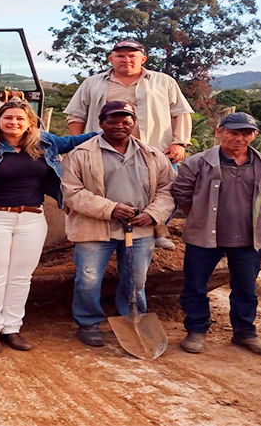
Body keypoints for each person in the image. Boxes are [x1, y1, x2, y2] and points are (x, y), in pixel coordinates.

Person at [0, 99, 97, 353]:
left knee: (21, 277)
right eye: (8, 117)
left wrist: (112, 129)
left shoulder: (46, 143)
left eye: (20, 118)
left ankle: (12, 328)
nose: (14, 122)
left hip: (31, 217)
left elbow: (79, 139)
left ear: (30, 122)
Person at [60, 101, 177, 347]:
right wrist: (111, 208)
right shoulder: (80, 154)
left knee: (136, 279)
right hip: (94, 227)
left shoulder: (153, 154)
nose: (119, 126)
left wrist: (153, 214)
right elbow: (72, 192)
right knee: (88, 278)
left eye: (126, 121)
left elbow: (168, 189)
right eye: (112, 120)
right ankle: (89, 322)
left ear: (134, 124)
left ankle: (132, 318)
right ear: (101, 123)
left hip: (140, 227)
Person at [63, 39, 193, 249]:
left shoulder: (163, 81)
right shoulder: (93, 83)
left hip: (155, 151)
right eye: (120, 55)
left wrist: (179, 143)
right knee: (99, 192)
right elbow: (76, 115)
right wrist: (77, 146)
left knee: (167, 190)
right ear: (110, 59)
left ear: (143, 59)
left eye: (132, 56)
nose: (126, 60)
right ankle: (98, 236)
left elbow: (180, 112)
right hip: (101, 150)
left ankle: (157, 230)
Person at [171, 112, 261, 356]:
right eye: (233, 132)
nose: (239, 138)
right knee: (195, 285)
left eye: (245, 133)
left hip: (248, 238)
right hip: (204, 237)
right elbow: (182, 194)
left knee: (246, 289)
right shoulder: (196, 163)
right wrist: (200, 216)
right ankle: (196, 330)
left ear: (254, 135)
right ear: (219, 131)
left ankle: (245, 333)